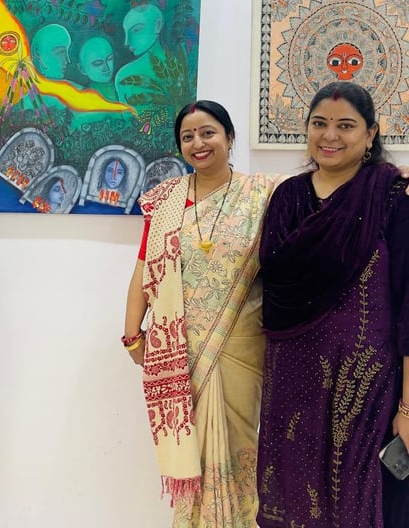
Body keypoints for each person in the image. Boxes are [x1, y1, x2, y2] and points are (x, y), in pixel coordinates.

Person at [256, 81, 409, 527]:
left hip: (363, 386)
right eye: (319, 123)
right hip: (291, 379)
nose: (330, 136)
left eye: (346, 125)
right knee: (293, 497)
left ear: (370, 133)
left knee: (354, 500)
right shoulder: (288, 196)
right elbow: (273, 290)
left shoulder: (392, 197)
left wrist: (407, 408)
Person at [123, 100, 280, 526]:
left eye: (208, 132)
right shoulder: (165, 202)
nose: (198, 143)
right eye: (188, 136)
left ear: (229, 137)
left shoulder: (264, 194)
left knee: (241, 449)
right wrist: (132, 335)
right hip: (180, 351)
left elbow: (323, 193)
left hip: (242, 347)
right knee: (190, 455)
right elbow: (144, 268)